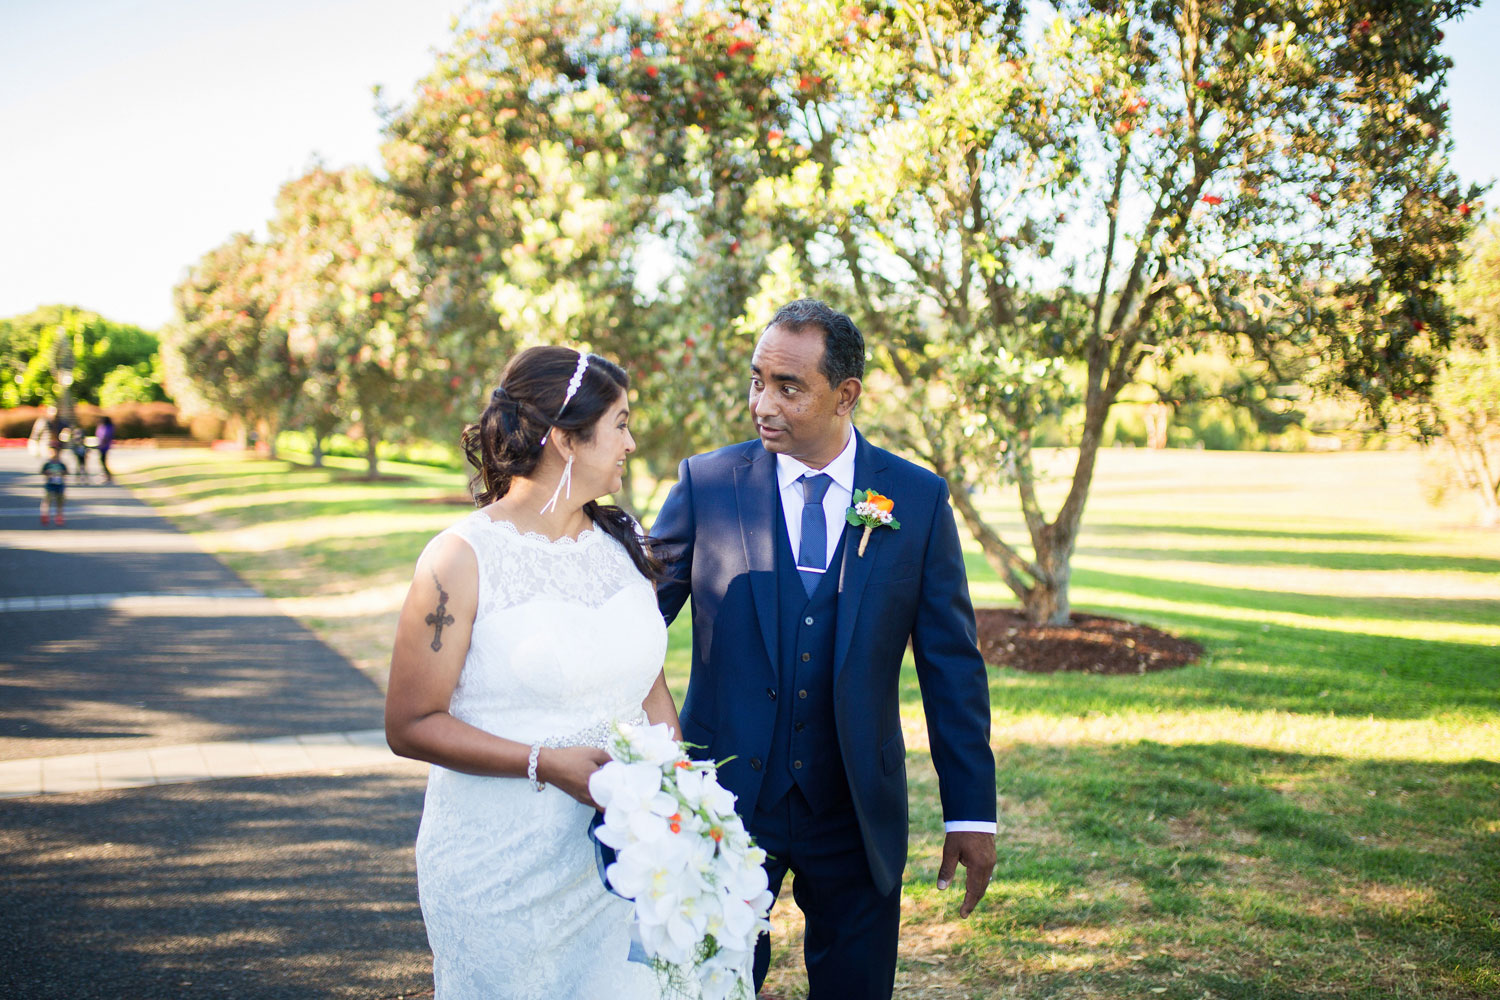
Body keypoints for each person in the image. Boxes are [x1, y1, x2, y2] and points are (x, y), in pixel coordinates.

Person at [652, 298, 998, 999]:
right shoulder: (708, 484)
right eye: (757, 380)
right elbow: (632, 627)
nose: (762, 403)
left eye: (788, 387)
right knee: (711, 985)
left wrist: (970, 810)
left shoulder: (917, 499)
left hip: (854, 806)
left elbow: (951, 666)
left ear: (846, 396)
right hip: (725, 800)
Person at [385, 346, 681, 1000]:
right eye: (621, 424)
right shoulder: (459, 559)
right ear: (567, 439)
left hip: (617, 867)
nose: (632, 442)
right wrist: (544, 762)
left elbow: (650, 688)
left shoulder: (622, 543)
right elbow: (409, 724)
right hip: (502, 869)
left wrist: (676, 795)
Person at [40, 445, 69, 526]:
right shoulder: (48, 464)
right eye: (52, 452)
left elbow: (66, 472)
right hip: (50, 485)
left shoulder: (61, 464)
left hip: (60, 484)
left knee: (60, 501)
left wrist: (61, 473)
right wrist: (48, 473)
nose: (54, 454)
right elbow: (43, 472)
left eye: (56, 452)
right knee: (47, 500)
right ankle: (45, 515)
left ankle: (59, 516)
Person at [94, 415, 115, 482]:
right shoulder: (104, 427)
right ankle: (106, 475)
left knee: (103, 461)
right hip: (103, 446)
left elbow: (105, 437)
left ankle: (107, 476)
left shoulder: (107, 428)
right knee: (102, 461)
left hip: (104, 447)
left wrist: (101, 444)